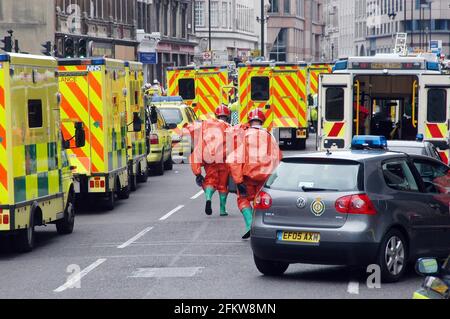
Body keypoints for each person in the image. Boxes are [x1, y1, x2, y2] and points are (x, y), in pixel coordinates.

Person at [227, 108, 282, 239]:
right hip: (265, 178)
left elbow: (234, 160)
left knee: (243, 199)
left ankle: (249, 224)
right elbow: (277, 157)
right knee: (261, 202)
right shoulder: (270, 136)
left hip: (247, 177)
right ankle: (261, 228)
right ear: (262, 121)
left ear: (249, 121)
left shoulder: (243, 135)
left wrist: (238, 181)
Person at [191, 104, 231, 216]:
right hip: (223, 160)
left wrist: (197, 172)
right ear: (227, 116)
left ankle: (208, 198)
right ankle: (223, 210)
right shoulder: (228, 126)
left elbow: (198, 146)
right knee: (223, 185)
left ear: (216, 114)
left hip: (209, 160)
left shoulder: (206, 126)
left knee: (210, 181)